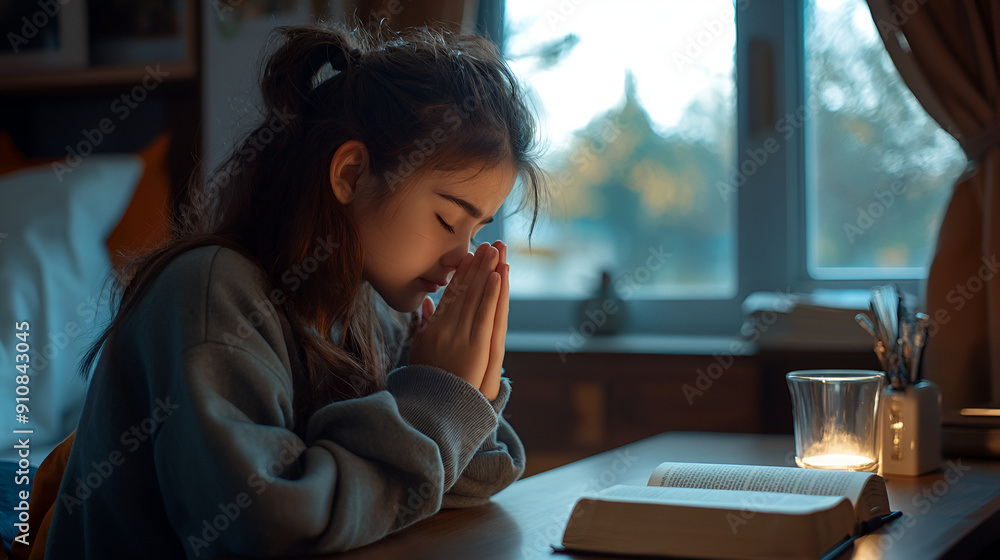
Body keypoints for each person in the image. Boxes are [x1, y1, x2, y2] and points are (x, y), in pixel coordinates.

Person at [43, 20, 546, 559]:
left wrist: (471, 392)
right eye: (448, 219)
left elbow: (471, 481)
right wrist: (435, 398)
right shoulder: (212, 294)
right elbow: (265, 525)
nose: (462, 256)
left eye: (477, 231)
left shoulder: (374, 308)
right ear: (351, 174)